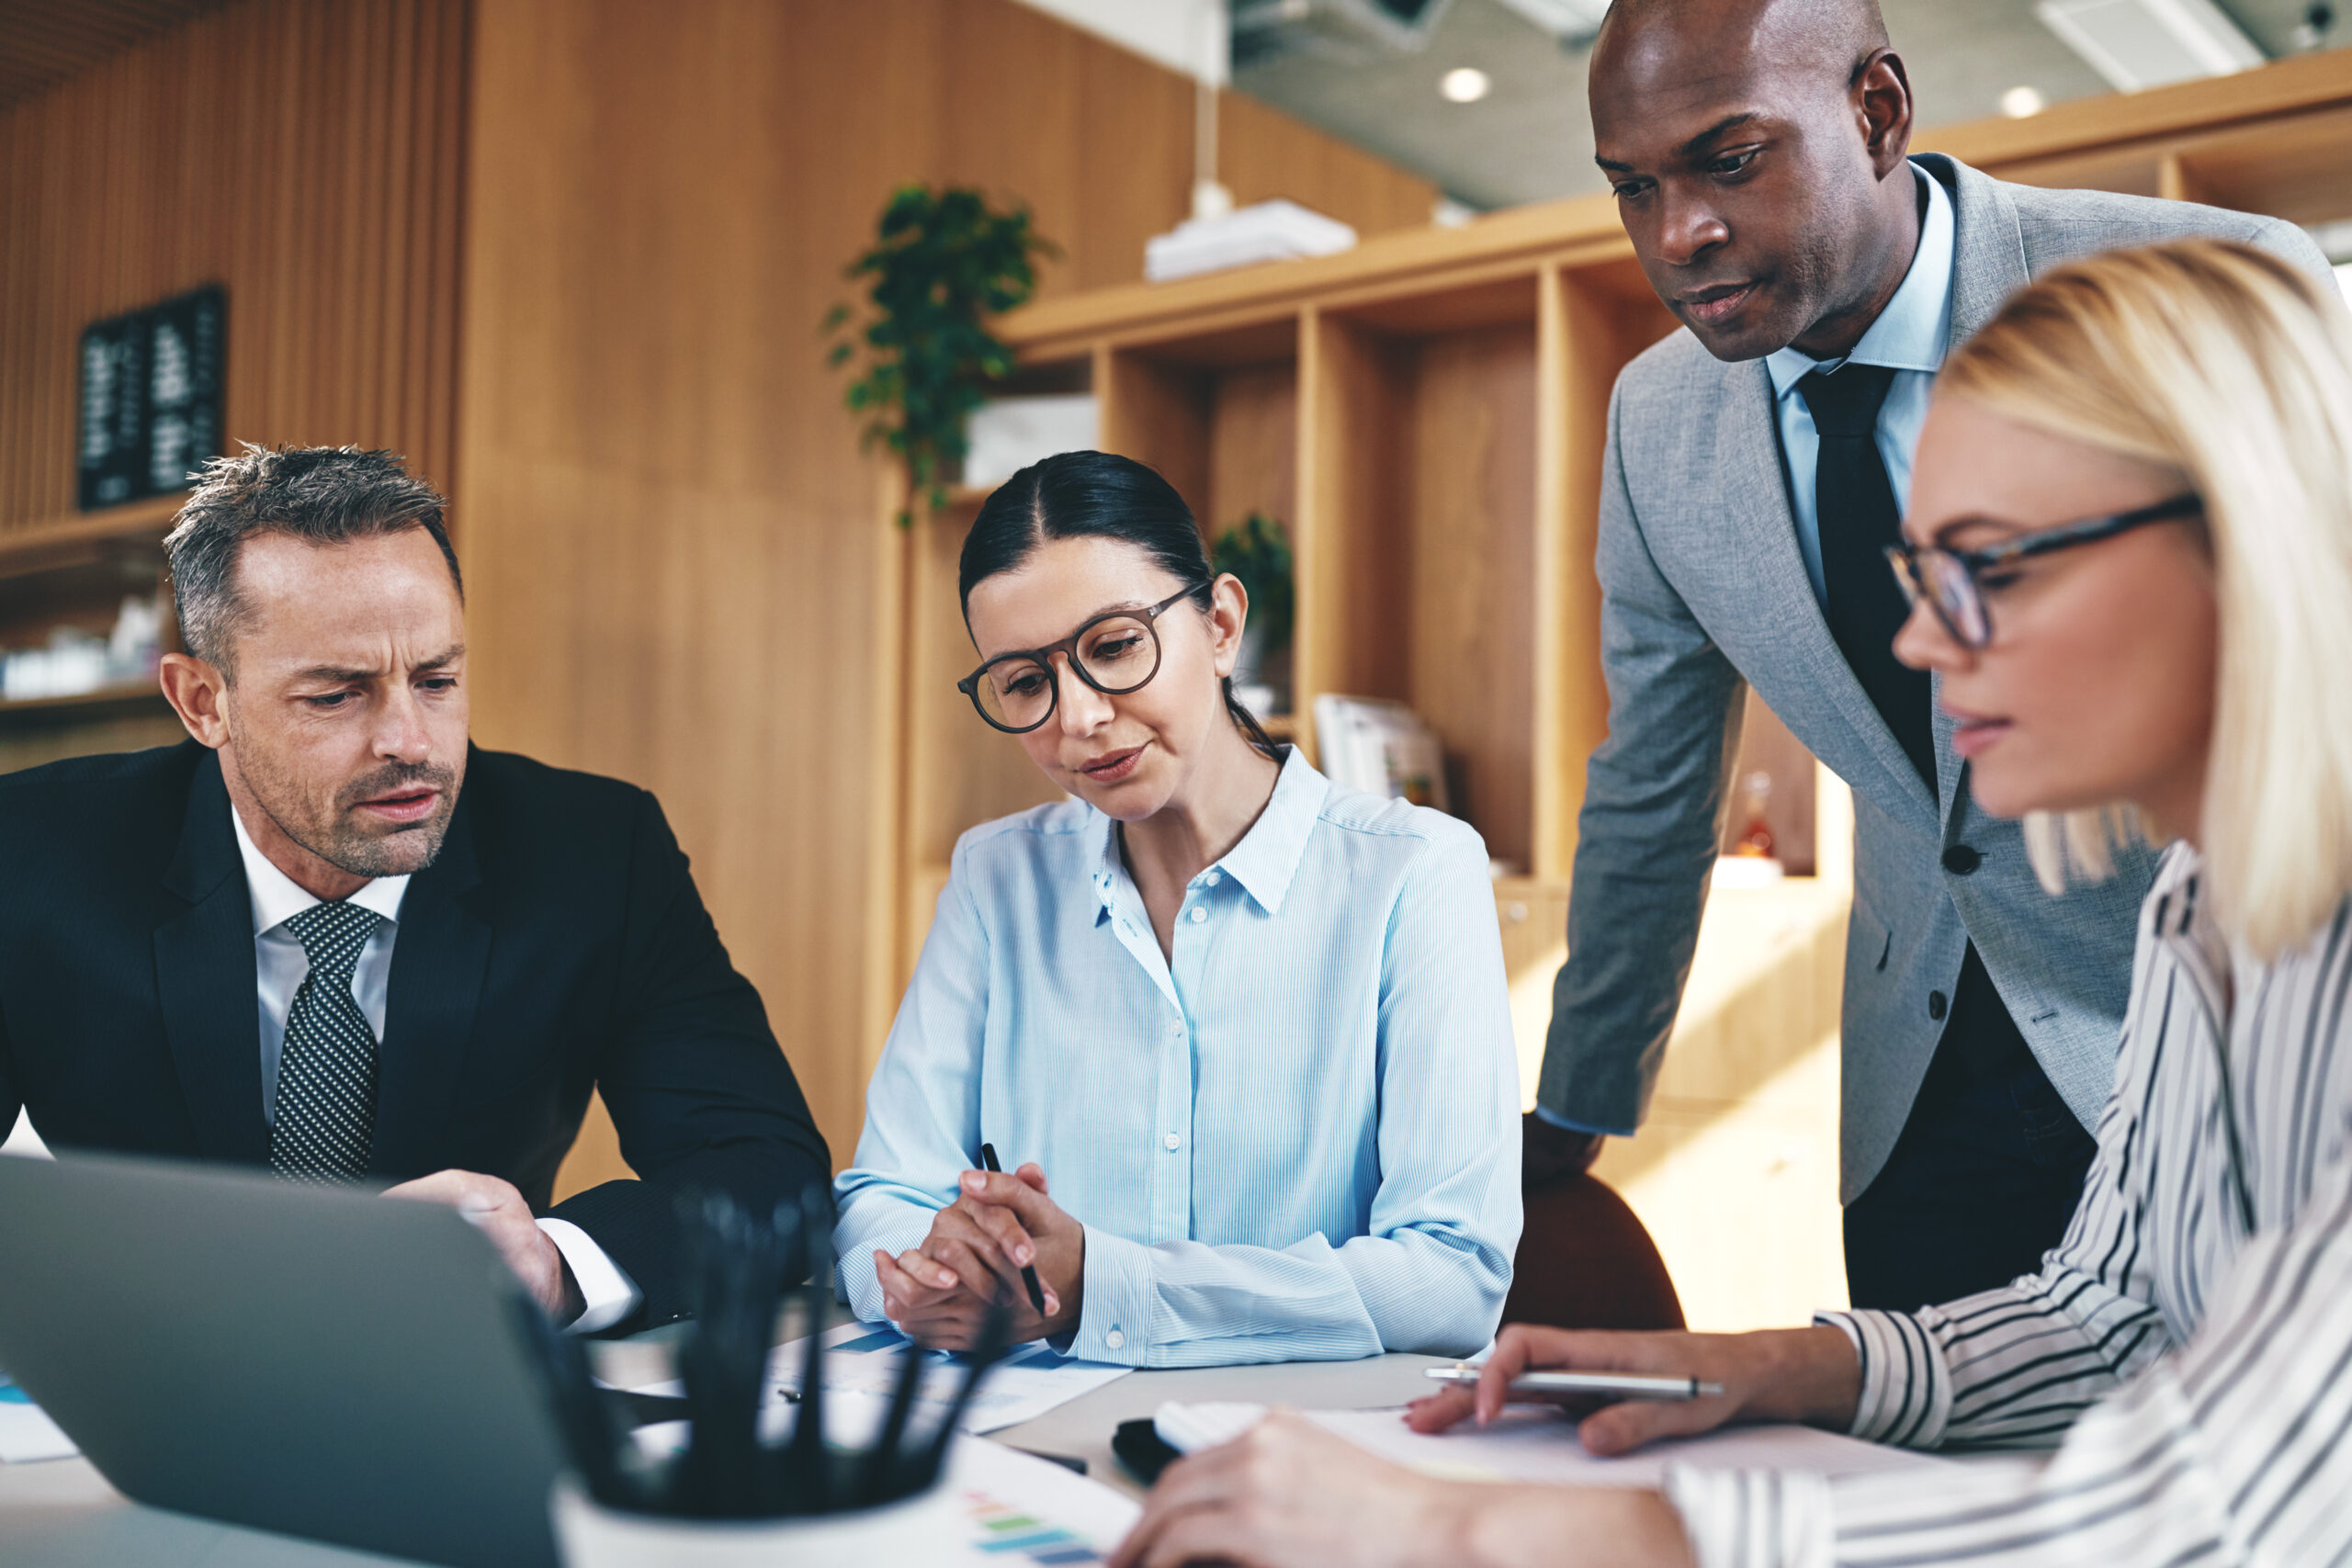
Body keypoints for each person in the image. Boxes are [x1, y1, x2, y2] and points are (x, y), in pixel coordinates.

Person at [1111, 238, 2352, 1568]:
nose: (1925, 644)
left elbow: (2243, 1503)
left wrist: (1494, 1529)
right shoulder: (2201, 901)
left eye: (1991, 566)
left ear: (2241, 528)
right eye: (1921, 575)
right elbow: (2115, 1316)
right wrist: (1766, 1364)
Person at [1523, 0, 2340, 1310]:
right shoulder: (1654, 421)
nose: (1679, 235)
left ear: (1879, 111)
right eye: (1635, 187)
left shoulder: (2205, 284)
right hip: (1922, 1074)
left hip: (2230, 1027)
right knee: (1927, 1425)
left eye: (1732, 161)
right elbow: (1653, 783)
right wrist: (1574, 1105)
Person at [0, 446, 828, 1332]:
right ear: (205, 702)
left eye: (437, 681)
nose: (410, 740)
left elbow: (769, 1171)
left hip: (465, 1387)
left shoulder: (595, 855)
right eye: (336, 696)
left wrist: (553, 1266)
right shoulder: (34, 852)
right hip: (139, 1371)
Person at [831, 450, 1521, 1366]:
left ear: (1222, 626)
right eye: (1027, 683)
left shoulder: (1414, 873)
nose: (1078, 718)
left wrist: (1104, 1291)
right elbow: (885, 1189)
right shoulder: (996, 877)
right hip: (1035, 1432)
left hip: (1307, 1449)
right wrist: (926, 1276)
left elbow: (1449, 1275)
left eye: (1113, 648)